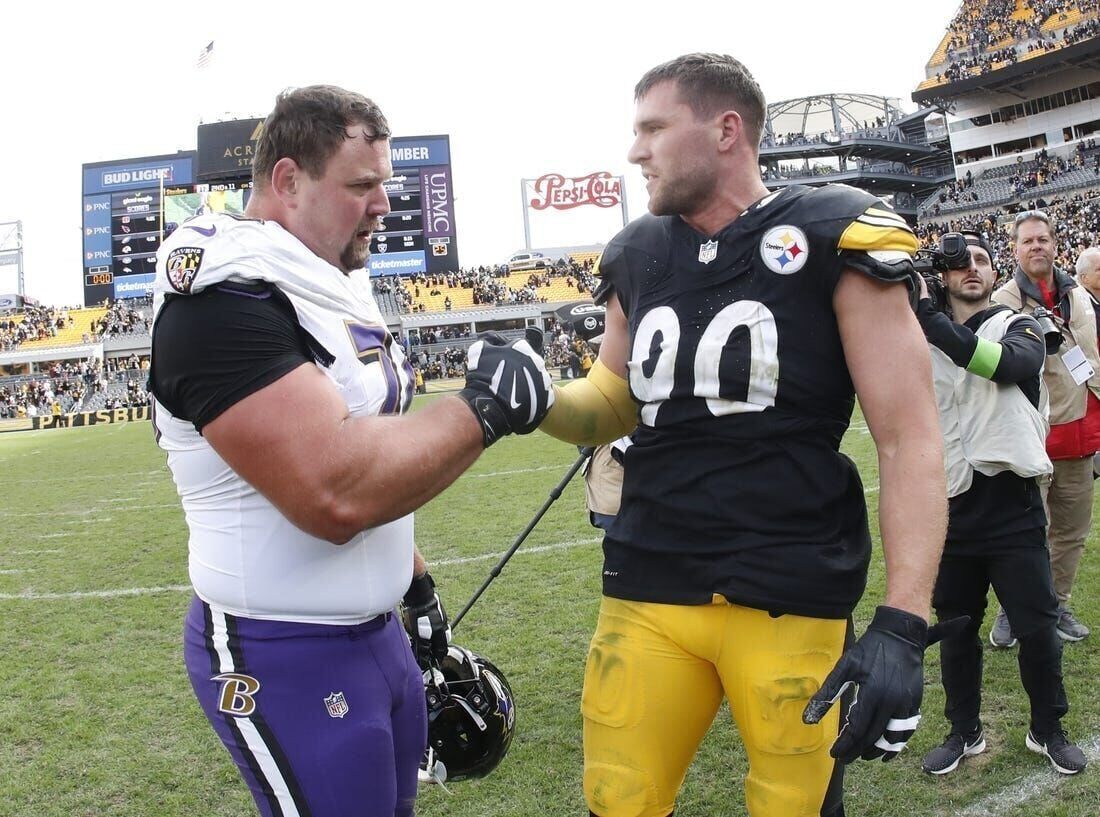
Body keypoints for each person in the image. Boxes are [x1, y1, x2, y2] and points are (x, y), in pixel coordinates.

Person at [537, 53, 949, 817]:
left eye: (654, 129)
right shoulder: (639, 251)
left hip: (788, 589)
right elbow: (613, 400)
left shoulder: (833, 231)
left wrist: (903, 616)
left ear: (727, 130)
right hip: (650, 579)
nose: (636, 151)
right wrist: (539, 400)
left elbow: (909, 435)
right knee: (616, 798)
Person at [147, 85, 553, 817]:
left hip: (374, 634)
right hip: (282, 645)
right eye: (362, 185)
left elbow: (370, 434)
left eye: (386, 184)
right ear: (288, 180)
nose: (383, 204)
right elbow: (333, 492)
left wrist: (415, 582)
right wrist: (484, 409)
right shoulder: (220, 296)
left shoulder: (325, 278)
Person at [915, 232, 1086, 776]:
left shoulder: (1021, 324)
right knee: (956, 629)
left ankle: (1047, 728)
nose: (971, 267)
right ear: (941, 274)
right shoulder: (917, 338)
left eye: (983, 260)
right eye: (959, 261)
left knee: (1037, 627)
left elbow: (1006, 367)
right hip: (953, 504)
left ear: (996, 274)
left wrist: (927, 315)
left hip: (1013, 505)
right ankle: (963, 731)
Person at [990, 211, 1100, 644]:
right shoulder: (1004, 299)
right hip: (1030, 435)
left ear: (1056, 245)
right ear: (1015, 250)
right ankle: (1011, 611)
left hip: (1080, 430)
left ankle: (1058, 603)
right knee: (1025, 531)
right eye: (1028, 241)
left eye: (1043, 239)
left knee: (1070, 531)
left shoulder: (1078, 295)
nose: (1037, 246)